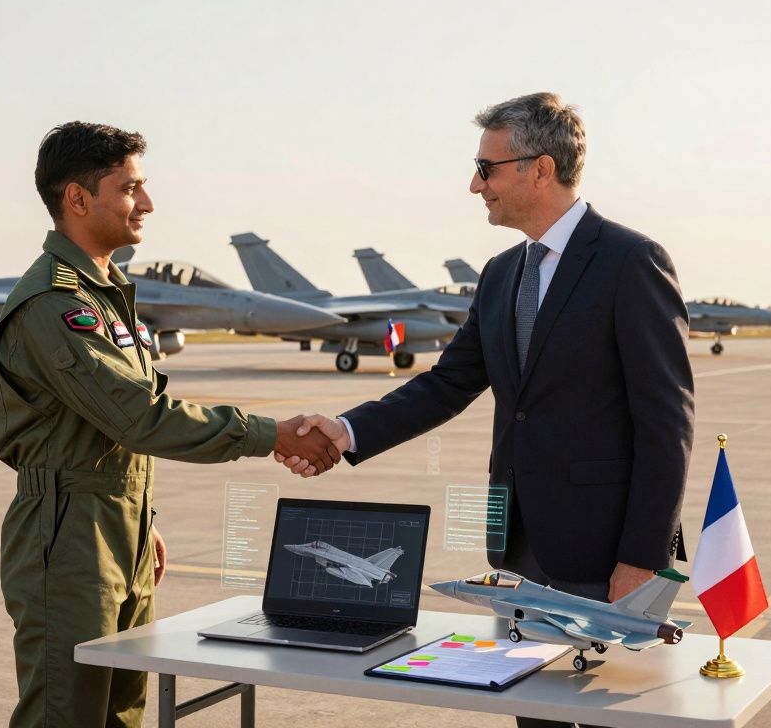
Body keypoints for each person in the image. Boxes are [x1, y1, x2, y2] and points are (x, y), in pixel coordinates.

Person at [281, 94, 694, 725]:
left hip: (605, 554)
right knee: (536, 715)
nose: (475, 184)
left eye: (487, 168)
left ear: (539, 169)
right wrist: (347, 429)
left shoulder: (628, 261)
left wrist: (641, 558)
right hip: (518, 545)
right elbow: (449, 383)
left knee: (611, 717)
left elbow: (667, 421)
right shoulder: (501, 273)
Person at [0, 121, 340, 728]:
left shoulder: (106, 293)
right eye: (130, 189)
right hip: (68, 541)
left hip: (113, 532)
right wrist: (271, 435)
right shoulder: (55, 303)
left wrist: (140, 517)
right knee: (65, 713)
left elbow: (109, 429)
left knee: (121, 711)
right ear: (77, 199)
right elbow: (141, 419)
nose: (147, 203)